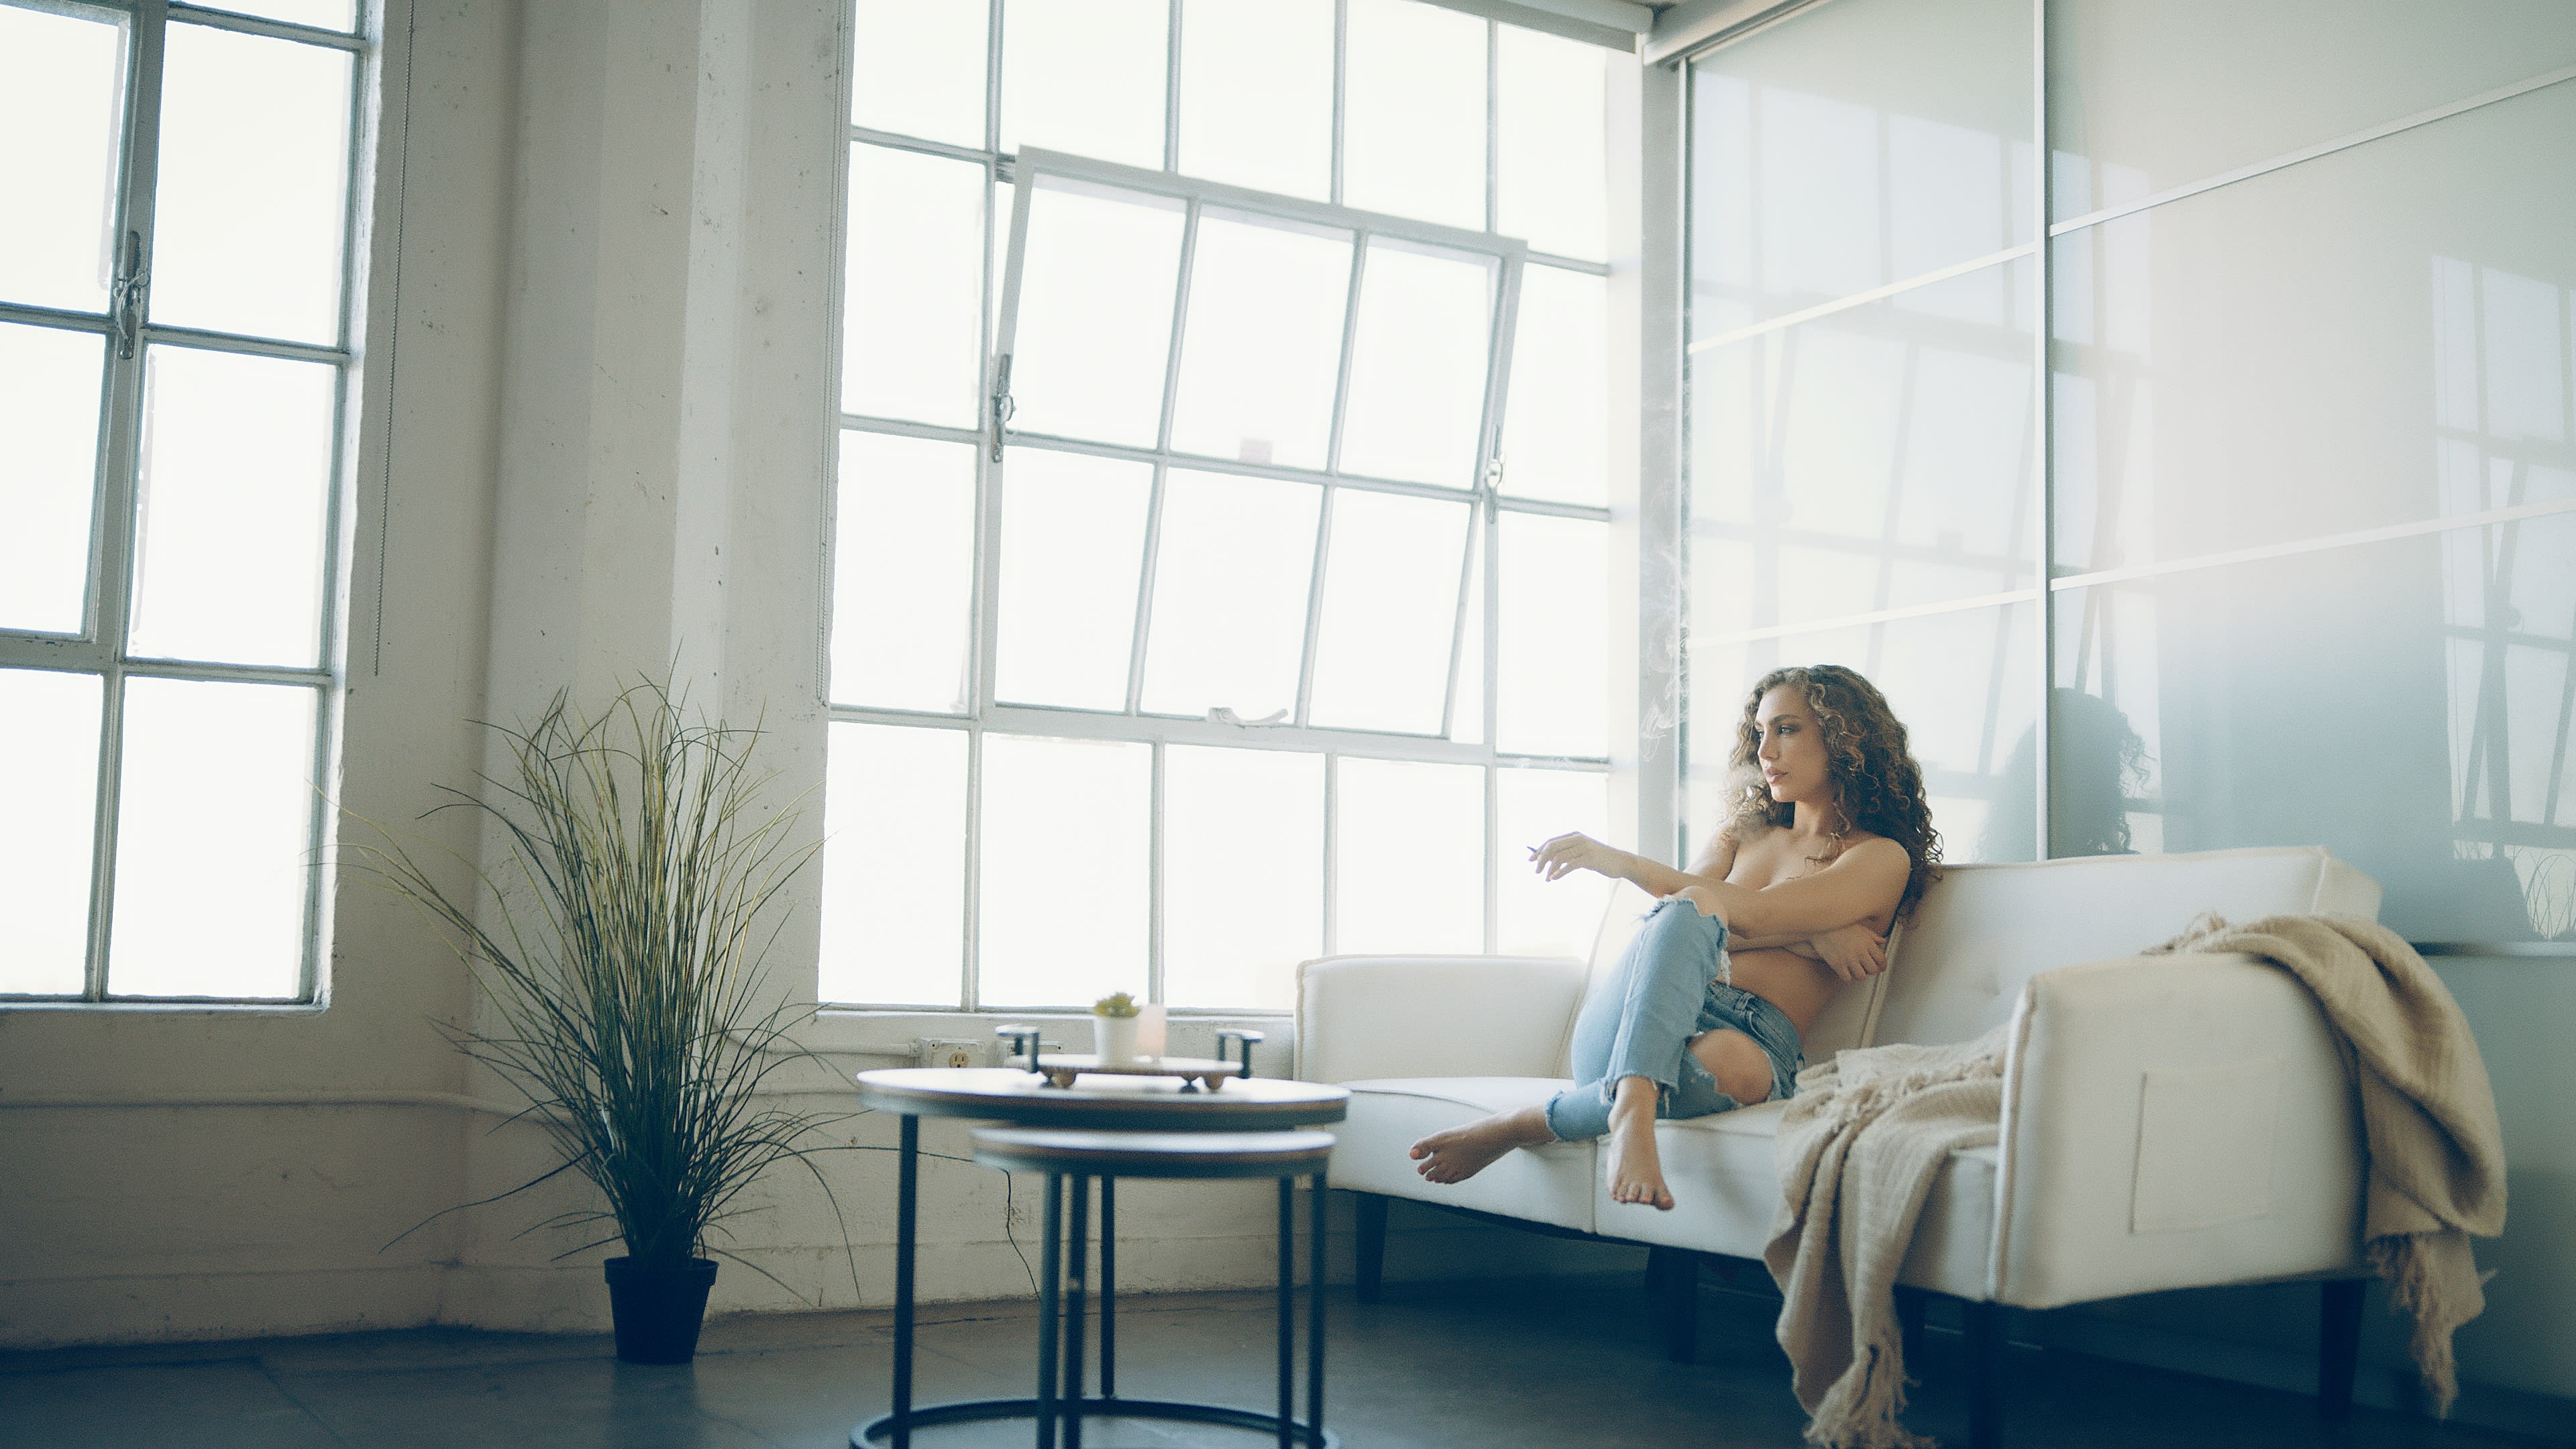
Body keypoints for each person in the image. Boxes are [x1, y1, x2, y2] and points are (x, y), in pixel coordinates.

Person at [1407, 664, 1941, 1211]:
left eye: (1786, 729)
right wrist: (1815, 940)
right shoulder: (1743, 833)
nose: (1765, 751)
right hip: (1628, 1023)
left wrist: (1624, 865)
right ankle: (1633, 1110)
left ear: (1844, 737)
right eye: (1759, 733)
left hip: (1751, 1036)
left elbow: (1749, 916)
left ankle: (1522, 1124)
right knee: (1694, 905)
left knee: (1734, 1057)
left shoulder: (1878, 857)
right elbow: (1681, 922)